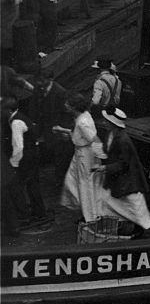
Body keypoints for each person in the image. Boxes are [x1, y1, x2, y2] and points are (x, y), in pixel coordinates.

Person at [97, 108, 150, 235]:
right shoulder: (110, 135)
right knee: (113, 201)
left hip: (128, 179)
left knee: (134, 204)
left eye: (107, 121)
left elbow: (124, 163)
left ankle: (141, 228)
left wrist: (105, 168)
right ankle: (126, 224)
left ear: (113, 124)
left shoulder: (123, 140)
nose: (105, 123)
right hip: (118, 178)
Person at [2, 96, 49, 233]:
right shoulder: (21, 117)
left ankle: (24, 215)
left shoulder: (16, 122)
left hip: (26, 158)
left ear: (9, 110)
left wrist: (13, 164)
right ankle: (38, 212)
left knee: (19, 185)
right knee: (32, 184)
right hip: (32, 155)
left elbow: (18, 147)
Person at [58, 92, 105, 224]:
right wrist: (66, 131)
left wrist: (101, 157)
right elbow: (81, 136)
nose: (65, 106)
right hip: (79, 153)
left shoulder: (82, 121)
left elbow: (94, 139)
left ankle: (90, 217)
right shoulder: (82, 116)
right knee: (72, 182)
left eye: (68, 104)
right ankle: (87, 212)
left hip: (85, 156)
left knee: (85, 186)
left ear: (74, 107)